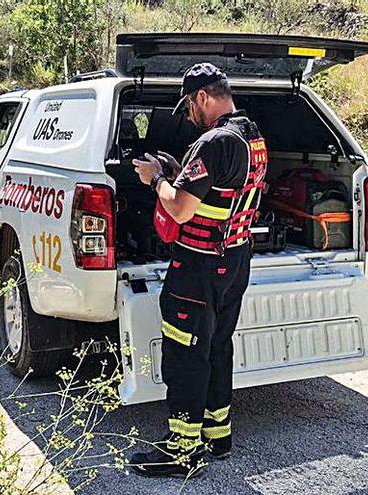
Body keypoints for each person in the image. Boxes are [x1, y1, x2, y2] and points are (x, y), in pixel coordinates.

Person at [128, 62, 268, 478]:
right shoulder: (251, 134)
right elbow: (219, 190)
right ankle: (217, 437)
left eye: (189, 105)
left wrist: (156, 179)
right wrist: (178, 173)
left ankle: (181, 452)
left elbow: (181, 208)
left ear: (202, 97)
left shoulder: (214, 141)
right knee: (217, 345)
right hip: (235, 258)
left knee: (186, 352)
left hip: (199, 265)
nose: (188, 114)